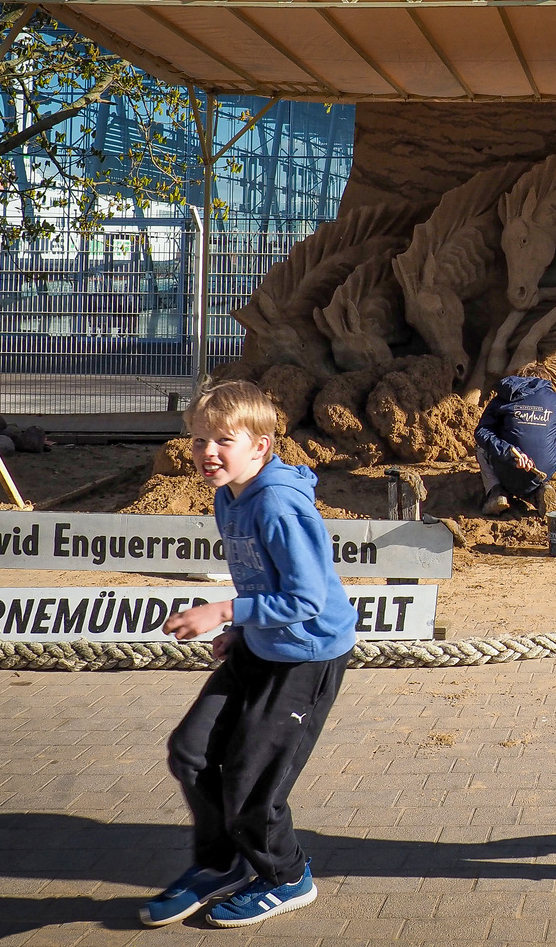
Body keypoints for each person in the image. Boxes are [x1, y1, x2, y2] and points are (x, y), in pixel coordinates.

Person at [143, 381, 357, 930]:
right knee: (191, 751)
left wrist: (225, 613)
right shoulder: (227, 494)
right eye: (196, 441)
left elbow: (306, 598)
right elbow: (263, 577)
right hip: (261, 645)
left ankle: (286, 876)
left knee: (250, 780)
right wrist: (242, 630)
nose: (206, 453)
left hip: (304, 657)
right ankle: (222, 864)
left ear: (260, 446)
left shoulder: (280, 503)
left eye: (223, 440)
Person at [473, 367, 556, 515]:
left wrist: (509, 452)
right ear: (545, 382)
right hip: (542, 469)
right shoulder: (554, 400)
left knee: (480, 448)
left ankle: (497, 492)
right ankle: (539, 492)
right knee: (537, 463)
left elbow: (482, 431)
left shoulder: (504, 397)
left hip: (508, 465)